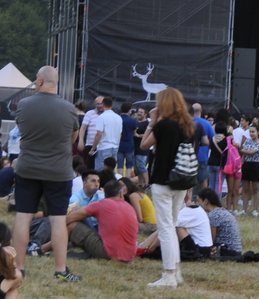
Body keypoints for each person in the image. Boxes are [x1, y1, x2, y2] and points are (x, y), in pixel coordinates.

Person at [10, 66, 82, 282]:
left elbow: (22, 130)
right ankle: (61, 270)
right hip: (58, 171)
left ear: (40, 81)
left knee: (23, 218)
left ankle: (18, 268)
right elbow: (73, 137)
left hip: (28, 168)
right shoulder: (69, 109)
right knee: (58, 220)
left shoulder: (24, 105)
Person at [141, 86, 196, 288]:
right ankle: (176, 271)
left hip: (163, 180)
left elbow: (144, 145)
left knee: (165, 229)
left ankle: (169, 274)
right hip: (181, 181)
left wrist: (152, 122)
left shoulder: (163, 126)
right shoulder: (188, 126)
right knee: (171, 225)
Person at [66, 179, 138, 263]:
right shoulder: (129, 207)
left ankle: (48, 247)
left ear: (104, 193)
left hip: (109, 254)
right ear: (121, 193)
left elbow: (70, 218)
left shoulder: (102, 204)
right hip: (130, 256)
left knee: (72, 226)